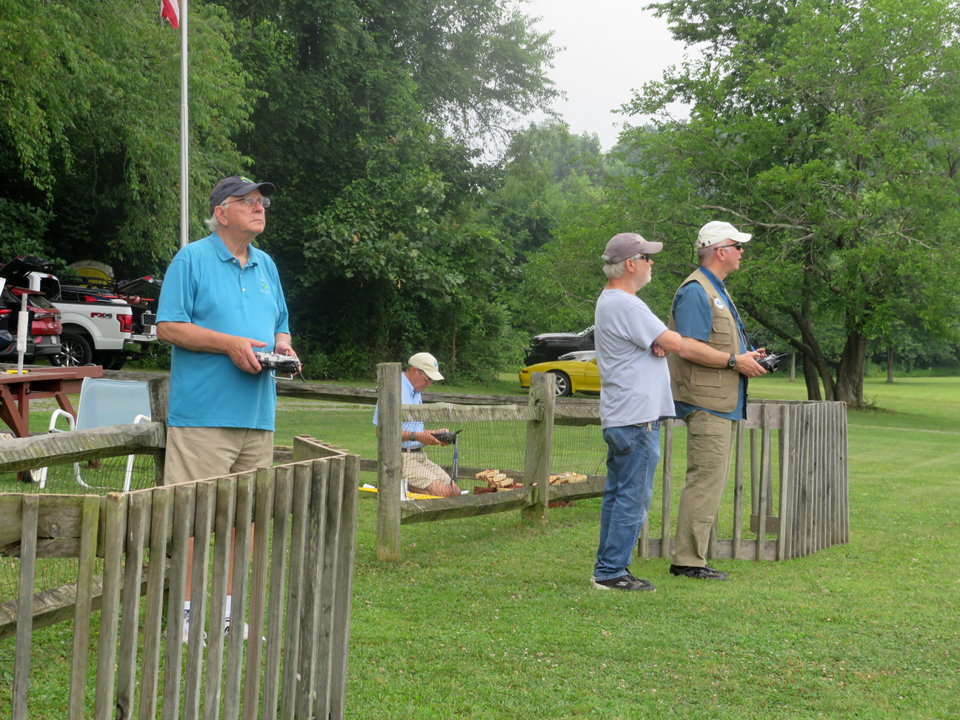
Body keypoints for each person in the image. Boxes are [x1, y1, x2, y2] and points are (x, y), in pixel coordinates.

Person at [156, 174, 297, 636]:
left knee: (246, 520)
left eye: (263, 202)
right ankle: (187, 612)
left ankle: (231, 612)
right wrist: (229, 344)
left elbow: (281, 323)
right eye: (249, 201)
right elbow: (169, 327)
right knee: (193, 517)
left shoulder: (267, 266)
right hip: (203, 417)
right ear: (222, 212)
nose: (260, 208)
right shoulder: (191, 259)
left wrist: (283, 346)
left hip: (257, 416)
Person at [667, 220, 767, 580]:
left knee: (711, 480)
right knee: (705, 480)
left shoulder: (715, 289)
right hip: (706, 403)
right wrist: (732, 361)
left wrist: (746, 356)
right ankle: (688, 562)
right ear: (719, 250)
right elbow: (687, 345)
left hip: (720, 401)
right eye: (737, 246)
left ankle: (694, 557)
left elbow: (716, 343)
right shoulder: (696, 291)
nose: (742, 252)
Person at [592, 233, 683, 592]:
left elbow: (656, 343)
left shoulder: (610, 301)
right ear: (631, 264)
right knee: (632, 496)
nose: (651, 263)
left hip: (622, 415)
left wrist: (657, 345)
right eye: (647, 257)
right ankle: (612, 572)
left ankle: (608, 567)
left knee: (618, 494)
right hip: (637, 419)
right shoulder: (627, 304)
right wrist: (667, 343)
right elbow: (672, 341)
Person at [373, 352, 460, 498]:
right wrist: (418, 436)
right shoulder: (394, 389)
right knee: (445, 493)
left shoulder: (416, 390)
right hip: (399, 457)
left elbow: (412, 429)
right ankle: (391, 481)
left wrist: (432, 434)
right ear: (414, 370)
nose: (429, 384)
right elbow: (382, 433)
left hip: (419, 455)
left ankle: (395, 485)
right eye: (428, 379)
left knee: (454, 491)